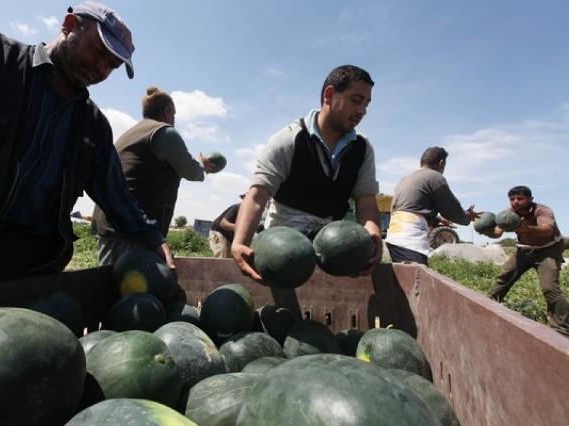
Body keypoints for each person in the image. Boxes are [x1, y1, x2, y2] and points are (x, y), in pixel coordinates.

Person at [0, 2, 174, 291]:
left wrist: (155, 240)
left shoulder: (92, 127)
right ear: (69, 25)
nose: (102, 68)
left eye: (112, 65)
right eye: (98, 51)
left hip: (15, 283)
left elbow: (118, 197)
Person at [231, 64, 383, 282]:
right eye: (356, 100)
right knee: (287, 261)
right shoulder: (290, 139)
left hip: (330, 242)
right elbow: (257, 197)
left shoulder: (362, 149)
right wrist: (239, 243)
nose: (362, 111)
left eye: (366, 105)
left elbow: (366, 202)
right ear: (329, 95)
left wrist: (373, 234)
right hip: (285, 242)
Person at [91, 86, 216, 265]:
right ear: (166, 112)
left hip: (110, 224)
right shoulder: (165, 132)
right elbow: (191, 171)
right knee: (136, 290)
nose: (174, 120)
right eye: (174, 114)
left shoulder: (131, 133)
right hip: (136, 230)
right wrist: (202, 164)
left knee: (110, 287)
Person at [479, 186, 568, 338]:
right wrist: (486, 230)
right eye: (512, 199)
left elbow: (548, 230)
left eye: (520, 199)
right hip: (524, 250)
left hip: (548, 251)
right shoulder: (508, 214)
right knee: (503, 279)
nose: (515, 202)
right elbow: (497, 233)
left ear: (530, 199)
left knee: (550, 288)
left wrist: (527, 229)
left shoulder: (542, 210)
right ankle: (485, 310)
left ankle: (562, 329)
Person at [385, 147, 480, 265]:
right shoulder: (434, 177)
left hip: (395, 238)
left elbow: (410, 209)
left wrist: (438, 219)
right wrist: (467, 217)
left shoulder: (406, 178)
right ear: (441, 163)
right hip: (410, 240)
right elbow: (452, 210)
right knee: (417, 279)